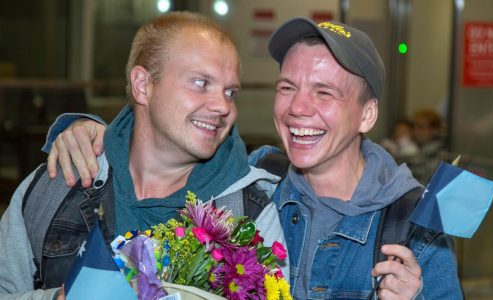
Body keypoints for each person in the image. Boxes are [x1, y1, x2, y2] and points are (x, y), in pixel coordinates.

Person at [39, 18, 463, 299]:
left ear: (367, 114)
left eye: (324, 92)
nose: (298, 108)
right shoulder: (256, 184)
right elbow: (166, 136)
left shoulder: (414, 228)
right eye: (287, 87)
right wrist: (89, 130)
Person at [0, 12, 284, 299]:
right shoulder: (57, 186)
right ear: (143, 85)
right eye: (201, 83)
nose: (223, 106)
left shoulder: (249, 219)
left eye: (230, 92)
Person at [408, 108, 447, 184]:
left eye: (421, 127)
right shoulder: (420, 151)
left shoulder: (439, 156)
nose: (416, 131)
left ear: (435, 130)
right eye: (414, 126)